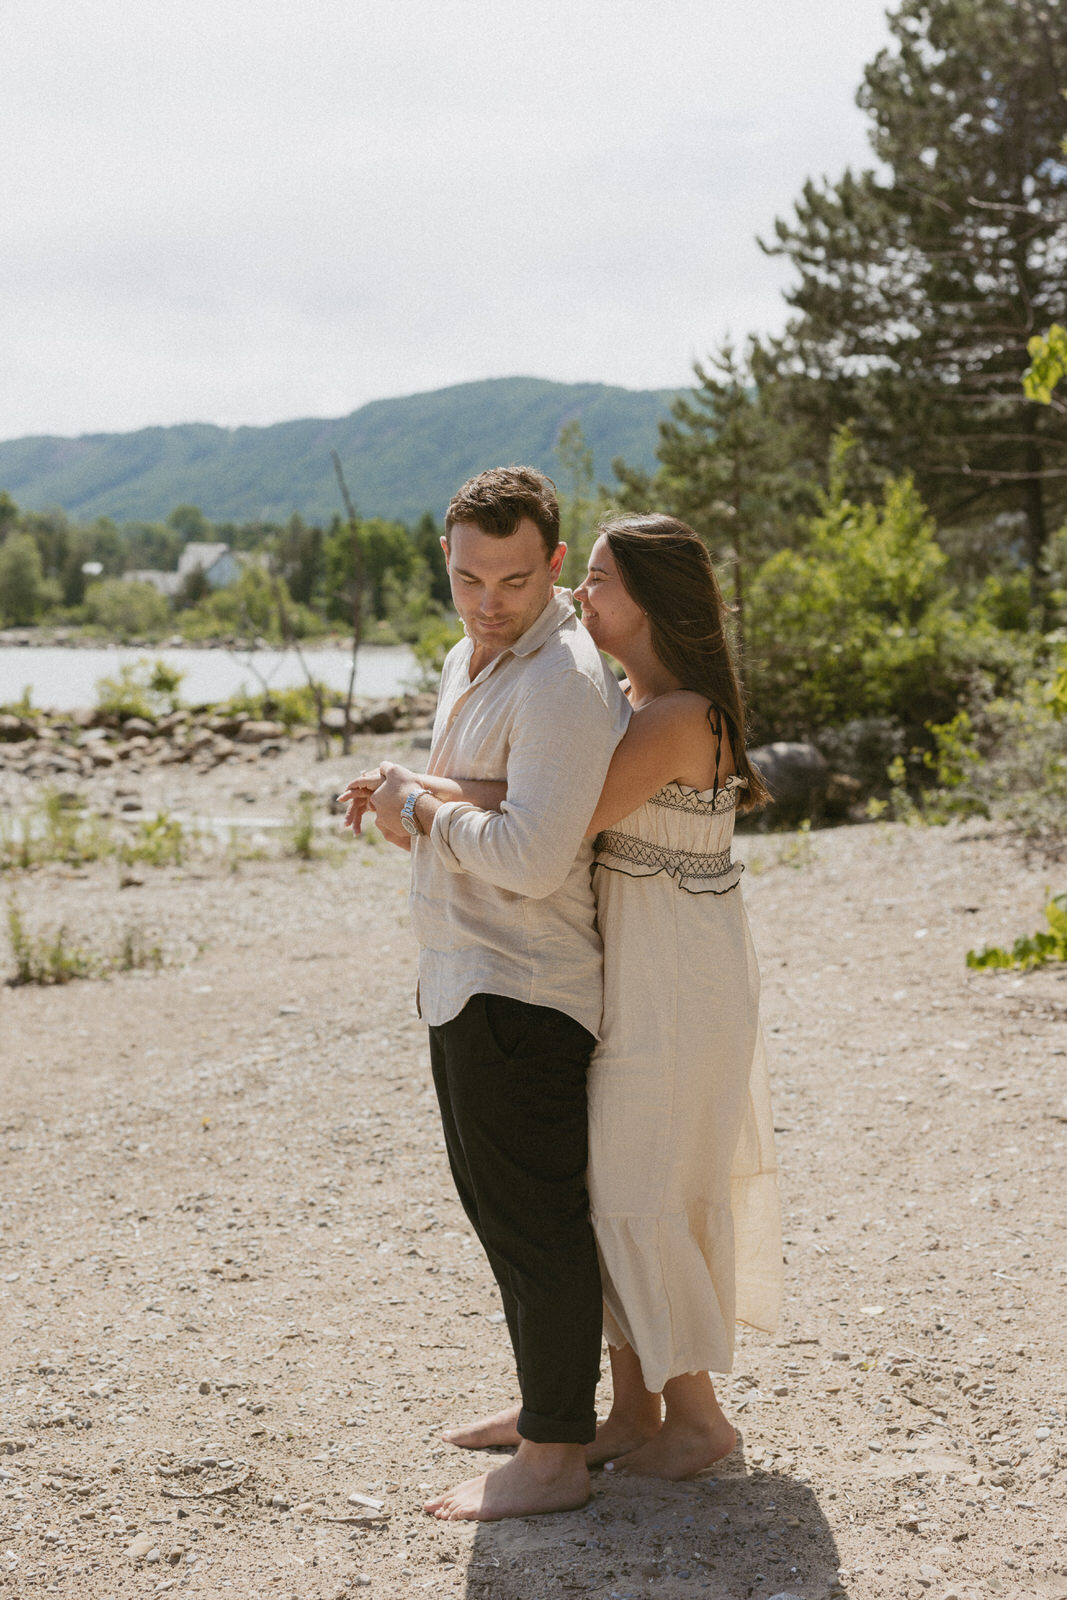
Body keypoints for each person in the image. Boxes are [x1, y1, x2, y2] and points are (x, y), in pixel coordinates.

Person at [356, 513, 783, 1483]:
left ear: (650, 603)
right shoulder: (638, 697)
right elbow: (530, 792)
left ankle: (698, 1418)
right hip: (645, 956)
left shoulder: (674, 714)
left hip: (671, 970)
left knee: (641, 1187)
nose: (577, 598)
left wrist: (416, 797)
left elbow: (551, 815)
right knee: (612, 1183)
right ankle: (632, 1409)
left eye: (596, 582)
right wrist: (414, 784)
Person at [338, 466, 629, 1523]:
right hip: (466, 973)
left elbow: (537, 853)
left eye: (511, 580)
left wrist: (416, 814)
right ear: (446, 564)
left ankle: (555, 1458)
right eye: (467, 579)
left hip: (526, 984)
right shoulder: (472, 653)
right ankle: (547, 1406)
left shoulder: (560, 674)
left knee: (534, 1218)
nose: (487, 602)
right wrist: (402, 783)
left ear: (553, 563)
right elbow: (500, 788)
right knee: (498, 1213)